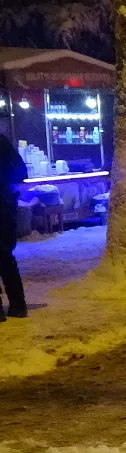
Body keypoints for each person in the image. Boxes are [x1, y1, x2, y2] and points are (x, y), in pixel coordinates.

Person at [0, 134, 27, 321]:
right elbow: (21, 171)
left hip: (4, 204)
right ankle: (18, 305)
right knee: (5, 257)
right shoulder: (2, 142)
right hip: (5, 205)